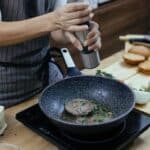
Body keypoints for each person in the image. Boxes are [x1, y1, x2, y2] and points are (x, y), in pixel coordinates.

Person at [0, 0, 101, 107]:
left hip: (46, 74)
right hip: (6, 89)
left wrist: (72, 31)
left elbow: (56, 32)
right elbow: (53, 21)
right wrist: (54, 20)